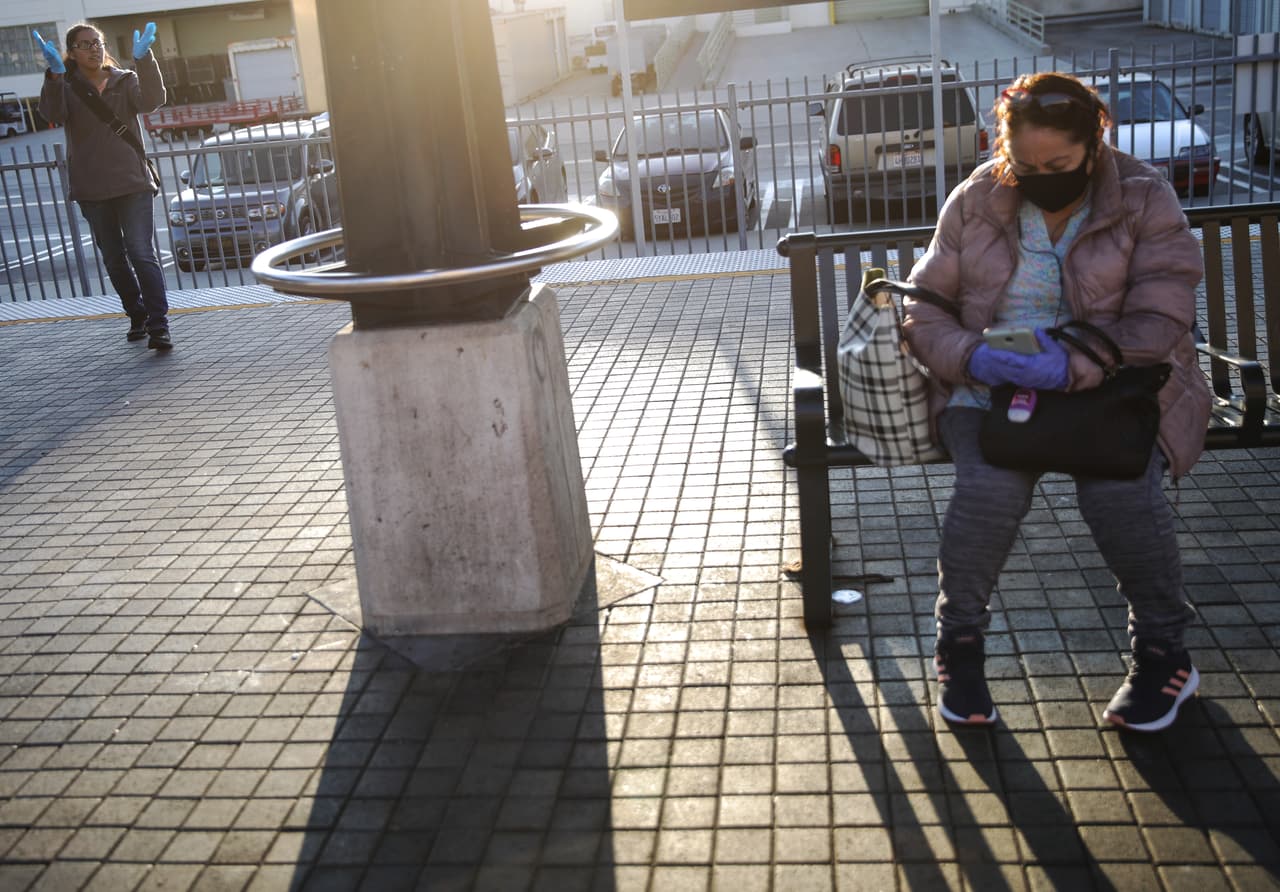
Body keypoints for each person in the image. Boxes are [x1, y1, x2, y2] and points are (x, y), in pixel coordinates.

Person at [902, 71, 1211, 733]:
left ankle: (1165, 656)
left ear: (1095, 141)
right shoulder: (975, 199)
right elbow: (925, 314)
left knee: (1119, 487)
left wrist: (1072, 364)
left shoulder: (1143, 197)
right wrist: (974, 357)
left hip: (1117, 385)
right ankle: (959, 647)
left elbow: (1162, 318)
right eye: (1025, 163)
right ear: (1003, 147)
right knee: (989, 487)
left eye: (1059, 164)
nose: (1041, 176)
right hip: (990, 386)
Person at [36, 22, 173, 350]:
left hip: (133, 182)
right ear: (71, 52)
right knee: (113, 257)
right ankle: (136, 314)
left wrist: (145, 60)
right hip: (93, 188)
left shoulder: (125, 81)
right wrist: (54, 76)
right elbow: (51, 113)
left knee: (142, 253)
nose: (93, 49)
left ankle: (159, 325)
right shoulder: (67, 87)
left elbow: (153, 100)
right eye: (84, 45)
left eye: (96, 43)